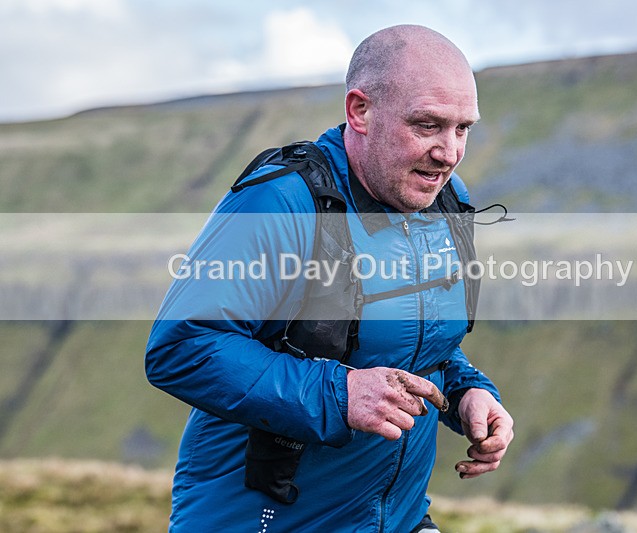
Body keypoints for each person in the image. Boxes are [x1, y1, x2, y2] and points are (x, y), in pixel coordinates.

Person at [146, 24, 513, 532]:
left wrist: (469, 393)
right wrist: (340, 395)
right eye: (427, 125)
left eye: (462, 129)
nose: (448, 153)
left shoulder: (442, 200)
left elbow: (418, 347)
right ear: (359, 111)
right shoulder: (280, 204)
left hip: (396, 519)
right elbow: (182, 347)